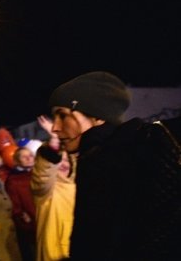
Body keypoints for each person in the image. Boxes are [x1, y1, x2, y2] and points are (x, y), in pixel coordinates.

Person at [48, 70, 181, 260]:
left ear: (98, 117)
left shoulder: (124, 157)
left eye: (62, 115)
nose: (55, 127)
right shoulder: (100, 155)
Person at [30, 115, 75, 261]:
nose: (63, 163)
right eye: (58, 158)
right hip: (54, 251)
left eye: (66, 158)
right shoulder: (47, 190)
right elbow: (42, 176)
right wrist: (54, 144)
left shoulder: (78, 186)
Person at [4, 147, 35, 261]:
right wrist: (25, 221)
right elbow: (15, 209)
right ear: (17, 161)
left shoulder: (39, 174)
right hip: (31, 228)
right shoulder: (13, 181)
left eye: (30, 155)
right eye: (24, 156)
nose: (28, 158)